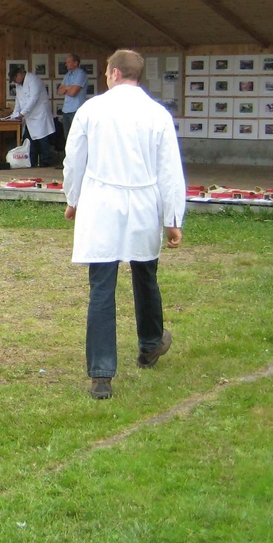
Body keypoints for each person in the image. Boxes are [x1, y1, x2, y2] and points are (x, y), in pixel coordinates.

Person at [63, 49, 185, 400]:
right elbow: (169, 170)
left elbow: (74, 160)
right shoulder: (157, 115)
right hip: (143, 204)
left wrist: (73, 198)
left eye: (105, 71)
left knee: (102, 286)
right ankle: (149, 343)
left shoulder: (91, 110)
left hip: (102, 203)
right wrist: (172, 218)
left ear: (114, 73)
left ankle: (102, 374)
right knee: (145, 274)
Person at [3, 65, 54, 166]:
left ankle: (46, 161)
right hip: (29, 117)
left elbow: (33, 99)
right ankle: (32, 161)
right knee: (29, 140)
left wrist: (22, 113)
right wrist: (15, 114)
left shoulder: (33, 80)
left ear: (19, 74)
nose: (15, 81)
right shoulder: (19, 85)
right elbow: (18, 100)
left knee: (42, 139)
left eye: (15, 78)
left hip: (39, 114)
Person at [55, 54, 89, 167]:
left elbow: (73, 92)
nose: (66, 64)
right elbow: (59, 91)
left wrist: (67, 88)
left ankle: (78, 163)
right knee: (67, 137)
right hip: (66, 109)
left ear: (75, 63)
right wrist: (69, 88)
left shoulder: (81, 74)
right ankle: (68, 162)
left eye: (68, 62)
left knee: (77, 137)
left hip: (76, 109)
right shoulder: (67, 75)